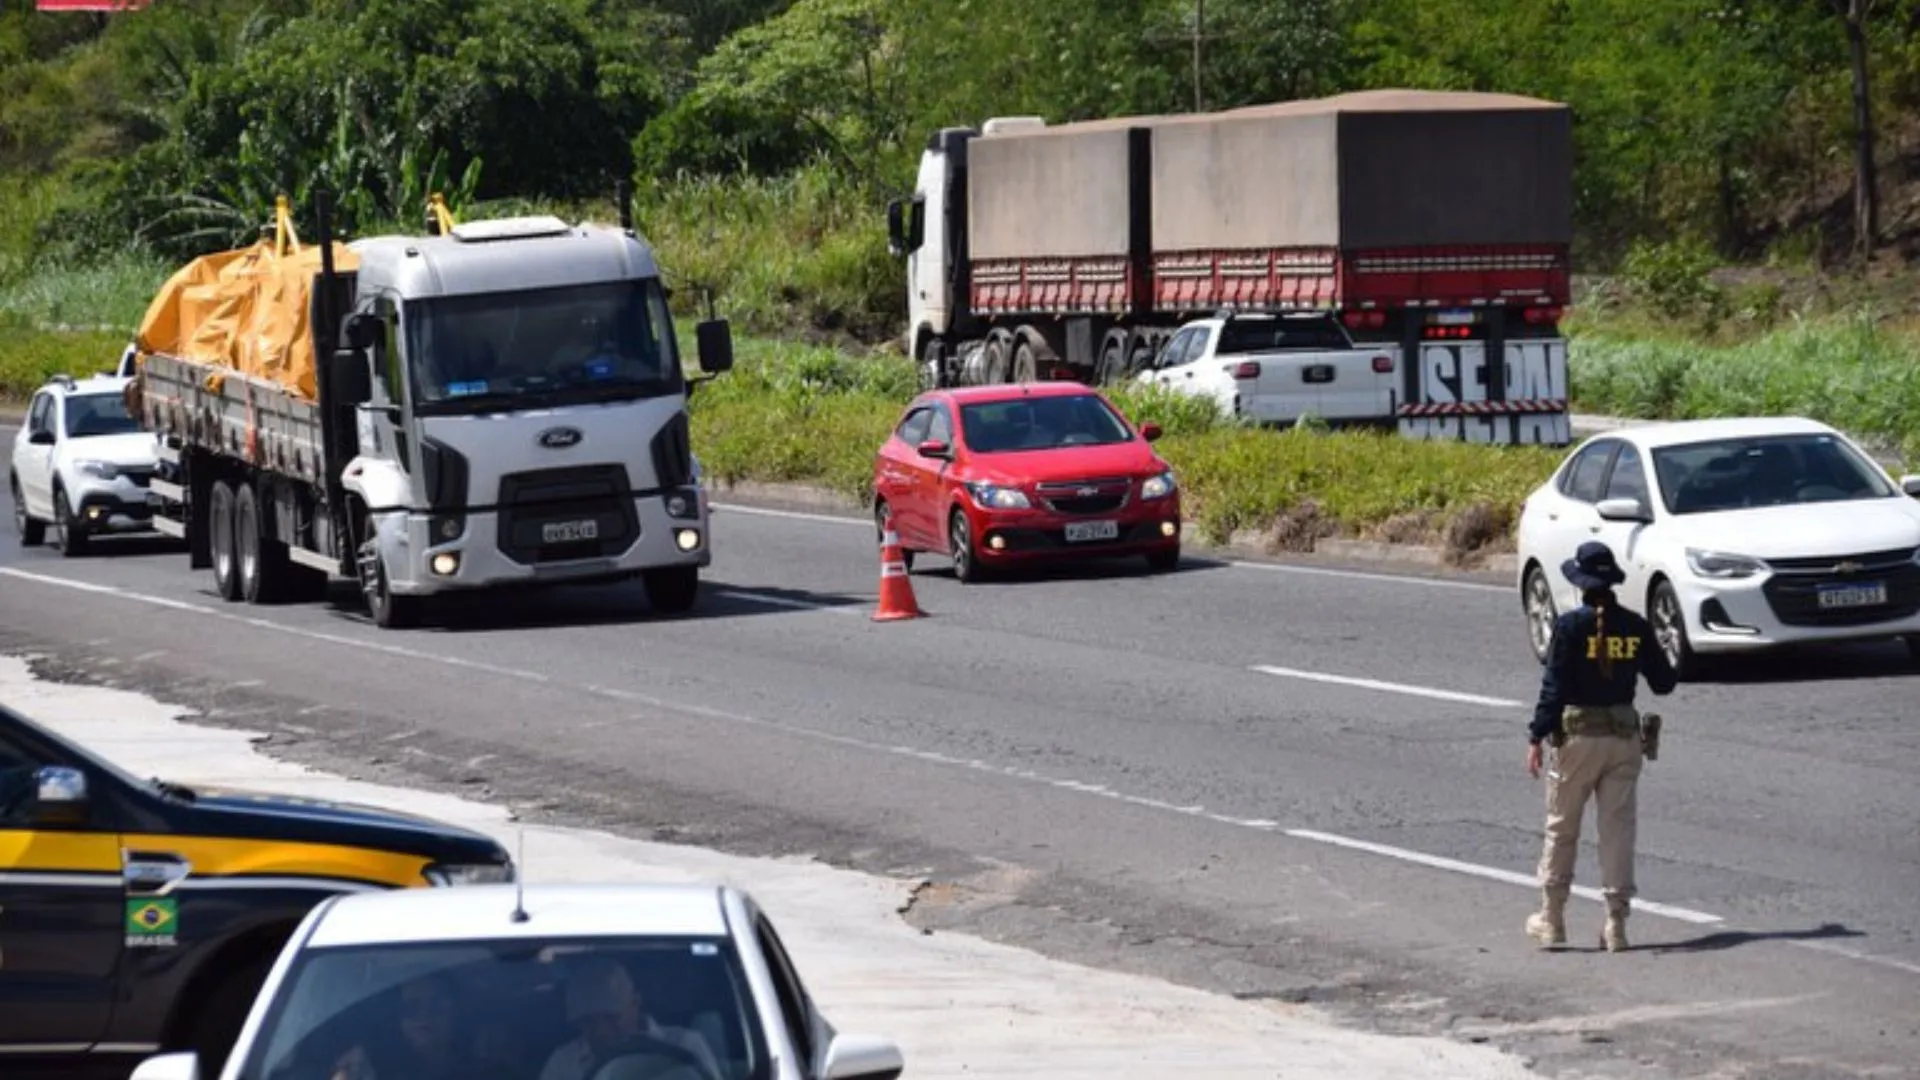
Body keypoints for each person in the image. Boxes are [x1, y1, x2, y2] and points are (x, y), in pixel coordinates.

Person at [1524, 540, 1677, 952]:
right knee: (1617, 831)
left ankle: (1552, 919)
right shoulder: (1635, 626)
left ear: (1580, 583)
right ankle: (1616, 923)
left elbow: (1553, 688)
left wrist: (1536, 735)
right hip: (1624, 741)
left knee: (1562, 828)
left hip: (1579, 741)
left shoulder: (1571, 627)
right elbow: (1664, 682)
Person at [538, 956, 723, 1080]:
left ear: (635, 1003)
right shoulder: (564, 1063)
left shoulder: (684, 1045)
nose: (602, 1031)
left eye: (611, 1018)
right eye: (588, 1022)